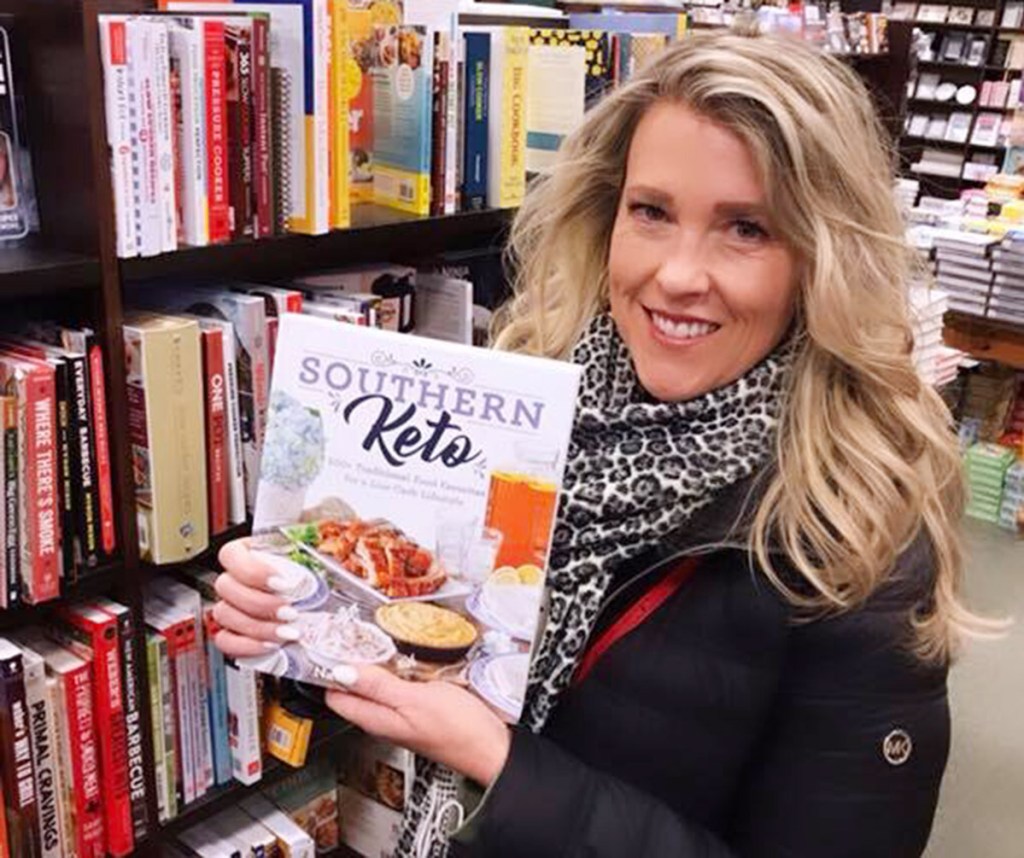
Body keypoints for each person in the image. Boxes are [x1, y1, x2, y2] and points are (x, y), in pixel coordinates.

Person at [212, 31, 992, 857]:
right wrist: (302, 614)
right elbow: (445, 644)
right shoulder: (536, 404)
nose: (678, 274)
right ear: (606, 214)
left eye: (746, 229)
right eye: (651, 212)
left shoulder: (858, 537)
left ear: (821, 255)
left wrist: (500, 763)